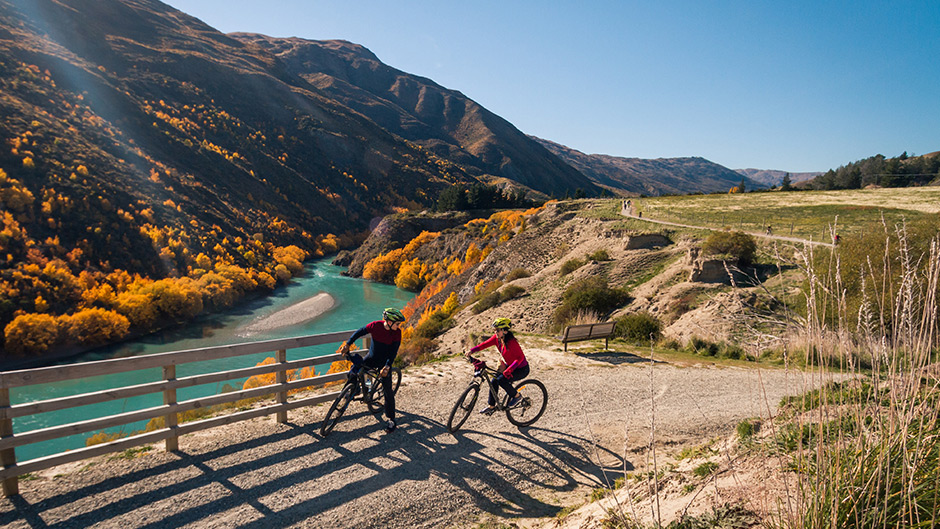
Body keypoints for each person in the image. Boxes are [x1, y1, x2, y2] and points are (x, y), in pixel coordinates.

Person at [339, 307, 405, 433]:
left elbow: (393, 353)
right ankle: (355, 389)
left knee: (387, 390)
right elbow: (359, 332)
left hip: (384, 363)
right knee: (355, 369)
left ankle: (391, 419)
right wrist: (348, 344)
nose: (399, 326)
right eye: (397, 323)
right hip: (372, 358)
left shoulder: (397, 333)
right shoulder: (376, 326)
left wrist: (387, 366)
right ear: (389, 322)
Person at [466, 317, 530, 415]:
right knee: (494, 380)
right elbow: (484, 345)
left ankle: (517, 396)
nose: (496, 332)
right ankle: (491, 407)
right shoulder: (497, 339)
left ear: (505, 331)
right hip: (510, 366)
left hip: (521, 369)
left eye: (498, 330)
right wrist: (471, 350)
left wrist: (510, 369)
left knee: (501, 380)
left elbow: (520, 357)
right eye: (495, 330)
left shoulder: (512, 342)